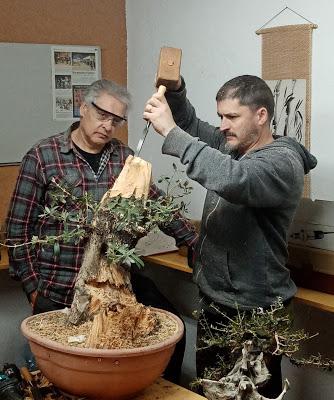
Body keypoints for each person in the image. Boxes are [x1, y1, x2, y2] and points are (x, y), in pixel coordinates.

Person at [6, 79, 198, 384]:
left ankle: (165, 390)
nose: (108, 126)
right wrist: (33, 289)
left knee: (171, 330)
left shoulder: (123, 157)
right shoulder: (43, 157)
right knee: (78, 373)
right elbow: (17, 231)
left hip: (113, 283)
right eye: (102, 114)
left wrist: (192, 238)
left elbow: (155, 200)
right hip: (61, 288)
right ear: (83, 107)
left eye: (116, 120)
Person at [143, 75, 317, 396]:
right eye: (221, 116)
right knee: (210, 388)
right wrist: (177, 91)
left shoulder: (282, 161)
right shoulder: (235, 142)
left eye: (232, 117)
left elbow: (235, 179)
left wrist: (169, 131)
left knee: (249, 393)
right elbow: (192, 125)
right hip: (216, 301)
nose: (223, 125)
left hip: (254, 309)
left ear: (261, 115)